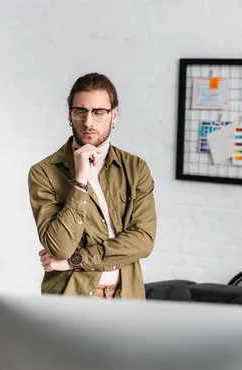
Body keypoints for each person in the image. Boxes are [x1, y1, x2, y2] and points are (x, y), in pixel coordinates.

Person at [28, 73, 156, 299]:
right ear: (70, 114)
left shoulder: (135, 169)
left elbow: (144, 241)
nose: (88, 122)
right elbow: (59, 248)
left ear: (114, 115)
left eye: (99, 112)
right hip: (71, 299)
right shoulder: (44, 172)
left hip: (127, 300)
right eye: (80, 111)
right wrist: (80, 180)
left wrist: (74, 261)